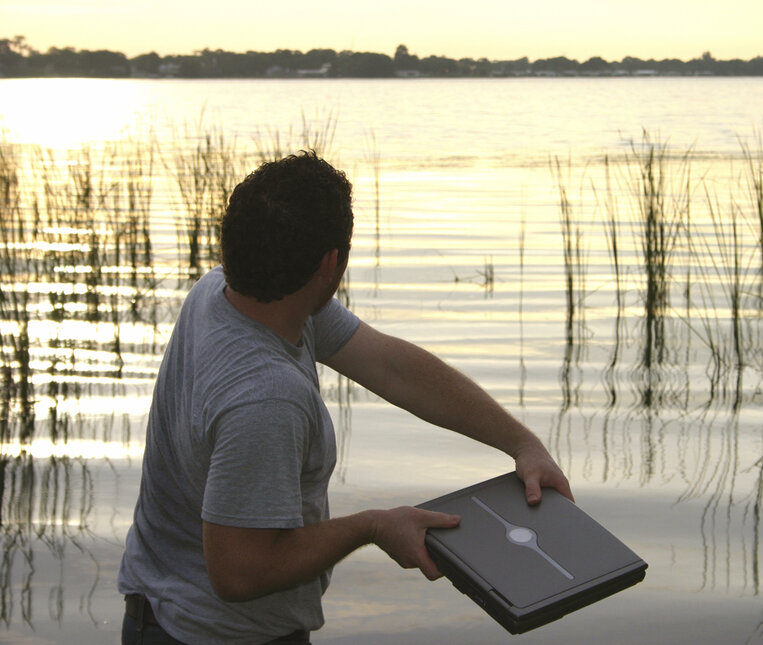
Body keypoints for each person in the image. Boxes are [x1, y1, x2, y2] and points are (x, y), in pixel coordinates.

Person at [117, 150, 573, 644]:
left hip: (158, 614)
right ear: (331, 264)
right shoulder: (267, 398)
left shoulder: (223, 292)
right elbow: (238, 573)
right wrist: (372, 527)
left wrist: (522, 443)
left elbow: (392, 366)